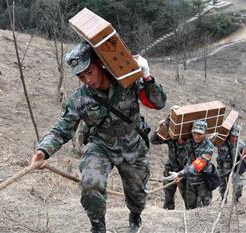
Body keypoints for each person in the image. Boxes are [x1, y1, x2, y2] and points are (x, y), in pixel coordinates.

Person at [30, 41, 167, 233]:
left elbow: (158, 103)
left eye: (90, 71)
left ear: (100, 64)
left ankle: (135, 216)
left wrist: (146, 76)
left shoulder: (127, 81)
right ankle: (97, 227)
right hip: (101, 145)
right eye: (81, 76)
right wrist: (43, 151)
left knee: (137, 196)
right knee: (91, 183)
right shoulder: (79, 99)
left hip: (133, 146)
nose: (87, 80)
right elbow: (62, 129)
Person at [163, 120, 215, 209]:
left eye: (199, 134)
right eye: (194, 133)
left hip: (203, 181)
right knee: (190, 207)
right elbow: (186, 160)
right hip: (190, 181)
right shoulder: (189, 142)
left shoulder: (208, 147)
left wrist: (180, 173)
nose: (196, 136)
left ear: (205, 133)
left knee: (202, 208)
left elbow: (197, 165)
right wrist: (167, 122)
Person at [150, 116, 192, 210]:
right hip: (170, 169)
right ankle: (168, 215)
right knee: (168, 196)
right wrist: (159, 128)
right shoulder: (170, 137)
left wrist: (182, 174)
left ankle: (189, 216)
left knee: (188, 199)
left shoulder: (191, 139)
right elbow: (153, 140)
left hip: (185, 171)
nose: (180, 139)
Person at [216, 125, 246, 203]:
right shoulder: (221, 142)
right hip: (223, 168)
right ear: (229, 135)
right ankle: (223, 199)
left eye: (236, 136)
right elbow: (210, 143)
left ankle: (236, 200)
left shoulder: (241, 145)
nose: (234, 138)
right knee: (223, 186)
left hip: (235, 168)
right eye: (232, 136)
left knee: (239, 185)